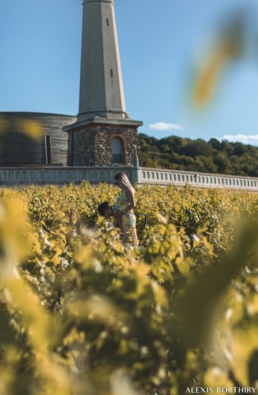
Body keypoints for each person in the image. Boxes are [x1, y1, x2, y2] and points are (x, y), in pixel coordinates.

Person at [113, 173, 138, 247]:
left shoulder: (128, 190)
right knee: (123, 237)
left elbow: (133, 204)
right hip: (122, 217)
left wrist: (121, 213)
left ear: (122, 181)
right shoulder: (123, 190)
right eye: (115, 184)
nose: (117, 185)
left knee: (129, 236)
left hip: (127, 218)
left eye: (117, 183)